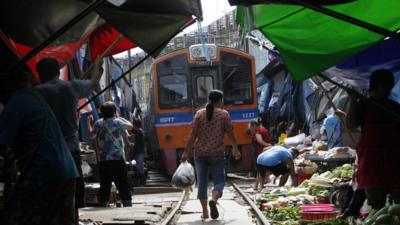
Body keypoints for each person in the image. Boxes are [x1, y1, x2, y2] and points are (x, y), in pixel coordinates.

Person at [0, 68, 79, 225]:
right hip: (66, 171)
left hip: (43, 172)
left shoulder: (18, 101)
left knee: (17, 218)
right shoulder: (34, 97)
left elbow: (3, 144)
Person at [35, 57, 103, 211]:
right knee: (72, 199)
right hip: (70, 150)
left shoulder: (35, 93)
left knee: (47, 201)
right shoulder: (71, 87)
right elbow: (93, 84)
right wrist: (97, 65)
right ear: (58, 73)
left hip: (44, 152)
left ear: (39, 75)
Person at [182, 90, 241, 220]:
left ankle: (205, 212)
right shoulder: (224, 114)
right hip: (217, 154)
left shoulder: (199, 114)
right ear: (220, 100)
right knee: (219, 181)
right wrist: (235, 148)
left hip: (200, 154)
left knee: (201, 183)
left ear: (209, 100)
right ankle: (213, 200)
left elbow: (193, 135)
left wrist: (186, 151)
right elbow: (231, 133)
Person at [347, 69, 400, 210]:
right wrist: (352, 101)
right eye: (384, 87)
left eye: (389, 87)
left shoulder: (395, 108)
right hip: (372, 163)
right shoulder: (363, 105)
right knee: (376, 205)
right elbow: (351, 125)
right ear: (376, 87)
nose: (387, 90)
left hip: (394, 161)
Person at [89, 101, 133, 207]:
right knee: (122, 182)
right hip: (117, 157)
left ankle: (103, 204)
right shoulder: (117, 122)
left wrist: (89, 123)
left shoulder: (98, 123)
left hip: (103, 159)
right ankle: (127, 203)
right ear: (114, 112)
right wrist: (122, 118)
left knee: (105, 184)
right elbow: (130, 126)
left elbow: (92, 136)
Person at [248, 119, 272, 186]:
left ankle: (258, 185)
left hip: (261, 152)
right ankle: (258, 184)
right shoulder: (262, 129)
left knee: (260, 169)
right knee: (261, 169)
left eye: (250, 127)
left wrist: (268, 145)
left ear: (254, 126)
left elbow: (260, 141)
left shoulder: (258, 131)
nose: (250, 129)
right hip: (262, 151)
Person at [131, 118, 146, 186]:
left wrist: (133, 145)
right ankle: (141, 182)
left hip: (139, 152)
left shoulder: (138, 132)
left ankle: (141, 182)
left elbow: (137, 143)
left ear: (135, 125)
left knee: (139, 167)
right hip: (139, 151)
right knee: (138, 166)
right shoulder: (140, 131)